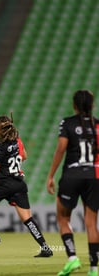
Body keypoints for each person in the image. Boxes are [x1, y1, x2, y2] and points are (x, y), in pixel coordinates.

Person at [0, 115, 53, 257]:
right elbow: (24, 156)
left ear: (0, 128)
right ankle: (45, 247)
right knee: (28, 219)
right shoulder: (17, 141)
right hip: (19, 184)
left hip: (4, 184)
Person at [46, 90, 99, 276]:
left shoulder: (68, 123)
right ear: (92, 105)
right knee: (91, 223)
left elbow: (61, 148)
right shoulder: (97, 125)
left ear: (74, 105)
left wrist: (51, 175)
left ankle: (72, 258)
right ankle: (94, 269)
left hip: (72, 175)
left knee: (63, 218)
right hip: (93, 176)